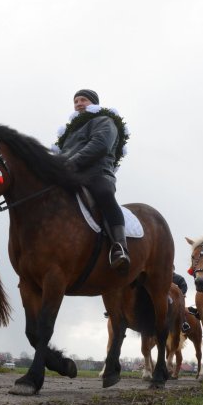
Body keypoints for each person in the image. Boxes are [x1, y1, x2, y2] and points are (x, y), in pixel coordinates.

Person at [59, 89, 130, 274]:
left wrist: (71, 163)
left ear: (94, 103)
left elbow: (100, 145)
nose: (79, 103)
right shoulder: (69, 133)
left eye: (83, 100)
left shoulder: (105, 121)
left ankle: (119, 247)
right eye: (75, 101)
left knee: (103, 194)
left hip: (97, 174)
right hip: (70, 176)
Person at [172, 267, 191, 333]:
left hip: (177, 299)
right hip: (164, 299)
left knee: (180, 307)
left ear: (173, 269)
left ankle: (184, 323)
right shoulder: (162, 278)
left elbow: (184, 287)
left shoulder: (179, 278)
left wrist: (180, 294)